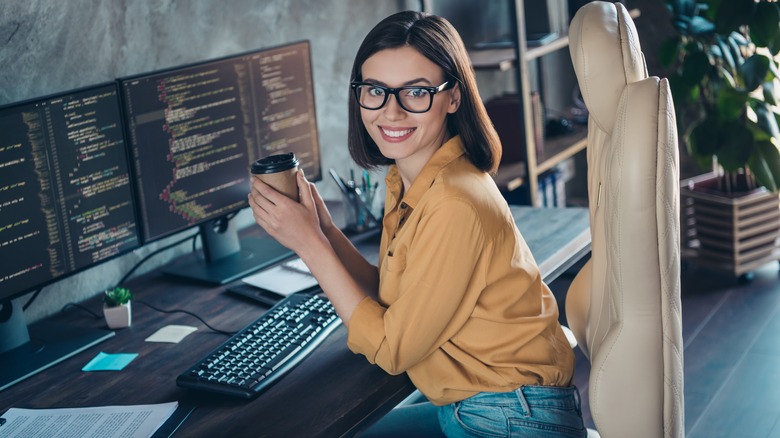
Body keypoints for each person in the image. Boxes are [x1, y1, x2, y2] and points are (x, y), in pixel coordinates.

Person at [248, 10, 587, 438]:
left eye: (416, 92)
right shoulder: (414, 181)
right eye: (375, 90)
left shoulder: (454, 203)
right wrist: (326, 232)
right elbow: (394, 304)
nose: (391, 111)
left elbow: (392, 348)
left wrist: (309, 246)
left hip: (512, 418)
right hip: (483, 405)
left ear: (453, 97)